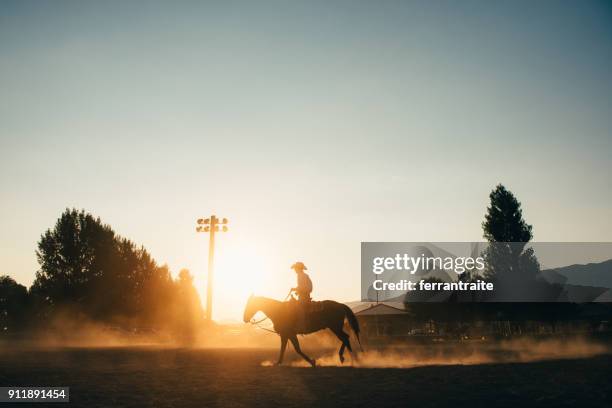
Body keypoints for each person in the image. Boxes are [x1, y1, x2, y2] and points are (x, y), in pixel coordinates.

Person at [290, 261, 312, 332]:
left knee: (298, 308)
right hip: (304, 295)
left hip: (304, 297)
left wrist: (295, 289)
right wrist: (297, 291)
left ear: (298, 268)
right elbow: (303, 287)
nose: (294, 270)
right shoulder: (303, 275)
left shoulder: (301, 275)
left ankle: (301, 326)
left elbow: (303, 287)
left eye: (295, 268)